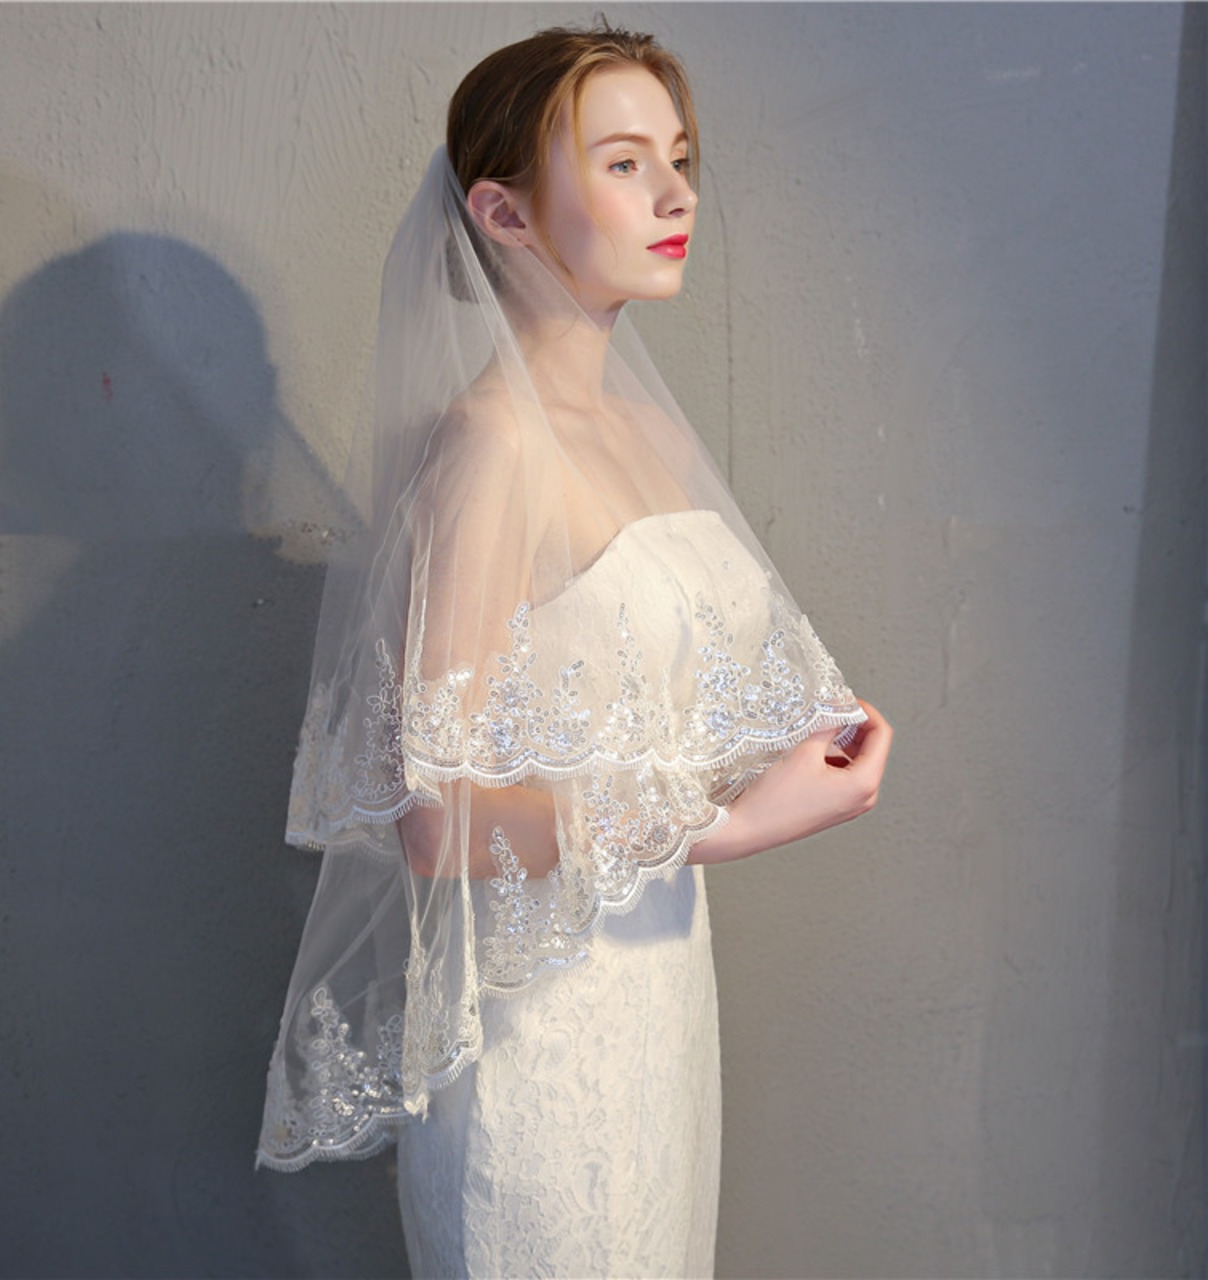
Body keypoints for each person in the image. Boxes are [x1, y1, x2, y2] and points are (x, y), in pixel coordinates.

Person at [258, 24, 892, 1278]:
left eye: (678, 157)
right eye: (621, 162)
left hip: (655, 998)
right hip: (541, 1041)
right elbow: (432, 820)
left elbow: (636, 712)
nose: (675, 195)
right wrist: (725, 826)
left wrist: (805, 756)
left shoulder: (644, 434)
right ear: (501, 212)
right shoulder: (490, 446)